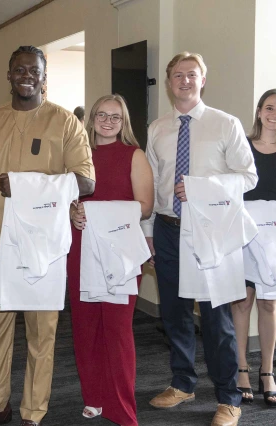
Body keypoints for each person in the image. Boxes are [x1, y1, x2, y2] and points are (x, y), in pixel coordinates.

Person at [0, 46, 95, 426]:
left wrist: (27, 185)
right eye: (18, 69)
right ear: (8, 75)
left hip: (43, 248)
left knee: (42, 336)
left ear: (44, 76)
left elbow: (86, 181)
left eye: (33, 70)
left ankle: (33, 412)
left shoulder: (65, 122)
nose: (26, 75)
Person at [142, 52, 257, 426]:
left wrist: (203, 189)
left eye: (192, 74)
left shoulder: (226, 124)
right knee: (174, 315)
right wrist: (148, 234)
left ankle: (229, 397)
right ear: (169, 81)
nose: (185, 80)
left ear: (203, 80)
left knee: (215, 317)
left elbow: (247, 177)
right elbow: (152, 183)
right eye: (178, 75)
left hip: (210, 233)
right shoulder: (157, 128)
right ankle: (183, 383)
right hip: (168, 228)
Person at [67, 94, 154, 425]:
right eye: (101, 115)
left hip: (120, 249)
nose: (107, 121)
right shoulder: (77, 155)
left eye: (115, 117)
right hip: (81, 246)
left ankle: (121, 406)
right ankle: (94, 396)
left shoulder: (134, 155)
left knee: (117, 330)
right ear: (91, 119)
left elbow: (144, 205)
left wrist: (98, 212)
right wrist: (73, 211)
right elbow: (64, 197)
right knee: (85, 327)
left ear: (123, 122)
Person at [231, 88, 276, 407]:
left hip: (275, 237)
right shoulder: (242, 147)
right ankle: (241, 368)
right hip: (245, 232)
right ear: (259, 111)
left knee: (271, 305)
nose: (274, 114)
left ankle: (267, 370)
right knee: (243, 301)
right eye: (269, 107)